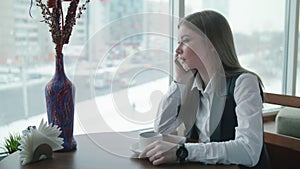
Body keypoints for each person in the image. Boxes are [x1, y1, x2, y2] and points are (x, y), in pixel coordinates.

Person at [139, 10, 271, 169]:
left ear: (211, 45)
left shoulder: (244, 83)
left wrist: (183, 151)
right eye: (178, 42)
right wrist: (179, 81)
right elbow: (162, 130)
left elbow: (249, 151)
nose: (178, 50)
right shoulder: (194, 86)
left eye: (185, 41)